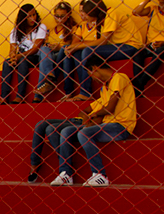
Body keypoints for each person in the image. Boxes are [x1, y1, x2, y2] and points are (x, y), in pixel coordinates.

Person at [27, 55, 136, 186]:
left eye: (90, 73)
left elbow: (110, 108)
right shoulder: (105, 88)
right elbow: (87, 110)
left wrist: (92, 117)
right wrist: (91, 116)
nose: (92, 77)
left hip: (120, 125)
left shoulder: (119, 77)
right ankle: (65, 172)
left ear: (95, 68)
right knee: (65, 131)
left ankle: (100, 174)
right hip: (105, 123)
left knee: (84, 133)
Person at [63, 0, 144, 101]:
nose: (84, 17)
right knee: (78, 53)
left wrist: (78, 45)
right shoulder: (102, 17)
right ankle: (81, 91)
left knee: (87, 51)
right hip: (118, 46)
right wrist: (75, 47)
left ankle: (85, 92)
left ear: (93, 13)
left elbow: (103, 41)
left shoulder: (111, 14)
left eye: (86, 14)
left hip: (130, 46)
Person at [0, 4, 47, 105]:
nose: (33, 18)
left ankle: (20, 96)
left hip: (34, 57)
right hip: (20, 57)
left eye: (34, 15)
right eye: (29, 16)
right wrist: (12, 58)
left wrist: (18, 56)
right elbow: (12, 49)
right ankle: (4, 96)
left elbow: (35, 48)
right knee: (7, 63)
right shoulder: (16, 31)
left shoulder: (41, 27)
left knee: (22, 61)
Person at [34, 2, 77, 102]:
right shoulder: (51, 31)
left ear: (68, 15)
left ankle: (39, 94)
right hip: (50, 57)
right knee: (43, 50)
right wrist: (49, 46)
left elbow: (73, 45)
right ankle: (50, 76)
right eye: (56, 16)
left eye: (62, 16)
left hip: (63, 55)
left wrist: (58, 47)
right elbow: (46, 45)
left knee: (63, 49)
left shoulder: (73, 28)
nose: (59, 19)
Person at [132, 0, 164, 92]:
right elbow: (135, 12)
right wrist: (146, 1)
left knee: (160, 51)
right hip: (152, 45)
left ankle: (139, 85)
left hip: (163, 45)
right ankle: (139, 85)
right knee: (137, 53)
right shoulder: (154, 9)